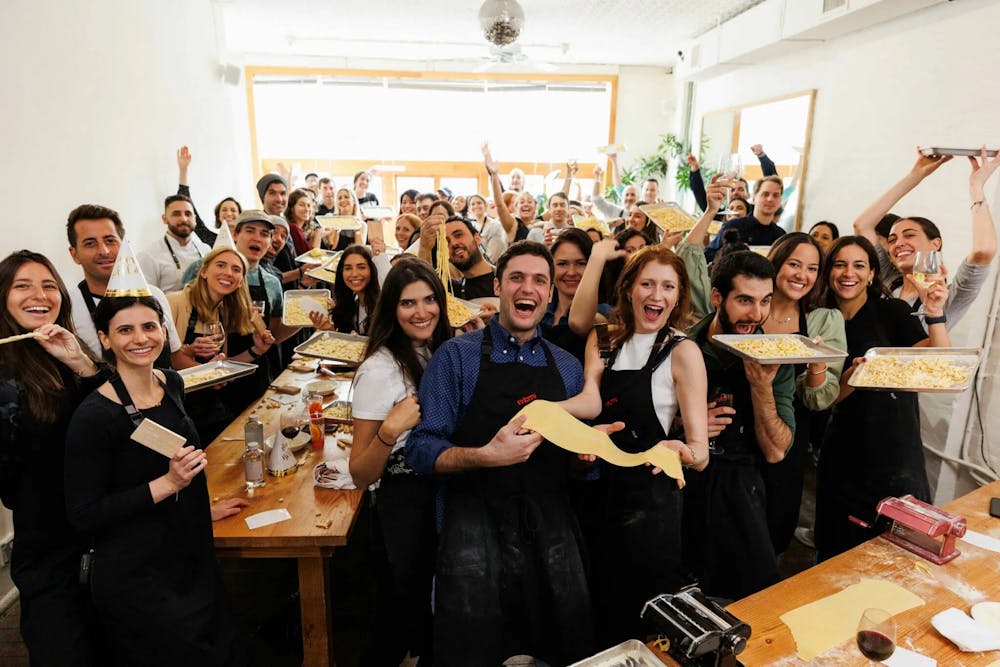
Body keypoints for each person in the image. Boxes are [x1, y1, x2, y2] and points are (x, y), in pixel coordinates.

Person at [406, 241, 597, 666]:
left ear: (548, 295)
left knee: (560, 639)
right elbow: (420, 450)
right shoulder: (457, 357)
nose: (526, 287)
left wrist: (584, 458)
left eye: (538, 280)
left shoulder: (566, 367)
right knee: (471, 647)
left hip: (550, 526)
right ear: (498, 286)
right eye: (516, 277)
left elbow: (576, 463)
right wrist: (486, 456)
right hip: (474, 523)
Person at [64, 295, 244, 665]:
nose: (140, 338)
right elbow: (84, 513)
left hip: (190, 554)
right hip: (139, 574)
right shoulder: (94, 416)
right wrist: (169, 485)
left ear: (164, 330)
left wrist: (200, 506)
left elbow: (171, 456)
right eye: (124, 330)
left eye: (149, 326)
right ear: (104, 338)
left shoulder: (171, 383)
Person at [563, 245, 709, 643]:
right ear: (628, 289)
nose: (655, 296)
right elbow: (592, 400)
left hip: (651, 504)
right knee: (597, 604)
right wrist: (545, 411)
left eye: (667, 286)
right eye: (646, 283)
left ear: (679, 296)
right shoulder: (603, 339)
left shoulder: (683, 352)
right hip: (599, 493)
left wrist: (680, 450)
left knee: (641, 614)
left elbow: (700, 453)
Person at [815, 236, 949, 561]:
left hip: (894, 450)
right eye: (840, 264)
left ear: (872, 273)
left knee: (898, 552)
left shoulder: (891, 311)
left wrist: (934, 312)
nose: (850, 273)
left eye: (859, 265)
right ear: (828, 272)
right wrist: (854, 377)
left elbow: (936, 362)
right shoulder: (819, 318)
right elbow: (823, 397)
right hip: (841, 451)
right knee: (835, 551)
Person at [0, 251, 105, 666]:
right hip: (49, 545)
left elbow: (118, 415)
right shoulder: (4, 371)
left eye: (48, 285)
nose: (39, 295)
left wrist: (81, 363)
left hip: (99, 534)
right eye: (22, 286)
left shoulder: (65, 348)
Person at [350, 259, 453, 666]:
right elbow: (360, 473)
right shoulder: (379, 368)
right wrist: (389, 431)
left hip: (444, 490)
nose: (422, 311)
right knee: (408, 607)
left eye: (430, 300)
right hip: (406, 502)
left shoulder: (438, 351)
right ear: (392, 308)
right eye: (408, 303)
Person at [683, 250, 794, 600]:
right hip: (682, 479)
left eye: (765, 302)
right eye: (745, 300)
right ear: (717, 297)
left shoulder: (776, 355)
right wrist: (687, 423)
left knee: (751, 599)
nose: (756, 314)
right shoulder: (680, 347)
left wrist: (761, 386)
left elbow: (776, 450)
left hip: (741, 486)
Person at [853, 146, 999, 330]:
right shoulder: (887, 277)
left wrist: (976, 186)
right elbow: (862, 225)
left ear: (935, 244)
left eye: (909, 235)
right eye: (892, 240)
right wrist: (915, 175)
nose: (898, 243)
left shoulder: (948, 295)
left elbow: (984, 251)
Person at [168, 246, 275, 441]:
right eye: (221, 265)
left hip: (205, 405)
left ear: (241, 280)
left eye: (236, 269)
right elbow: (167, 359)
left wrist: (256, 350)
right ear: (203, 271)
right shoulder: (174, 302)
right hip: (175, 408)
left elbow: (222, 365)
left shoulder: (222, 311)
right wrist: (204, 369)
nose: (228, 273)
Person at [65, 204, 181, 366]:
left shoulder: (155, 295)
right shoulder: (68, 307)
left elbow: (175, 358)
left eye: (110, 240)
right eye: (90, 243)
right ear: (74, 254)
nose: (104, 251)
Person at [539, 228, 607, 361]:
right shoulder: (540, 310)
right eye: (562, 264)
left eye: (581, 264)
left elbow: (580, 322)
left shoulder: (604, 314)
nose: (571, 272)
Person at [136, 194, 210, 295]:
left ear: (195, 219)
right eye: (176, 214)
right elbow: (147, 298)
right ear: (164, 218)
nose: (184, 219)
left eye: (188, 214)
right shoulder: (148, 255)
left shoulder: (206, 250)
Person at [704, 176, 786, 262]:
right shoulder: (733, 226)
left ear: (780, 200)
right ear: (754, 198)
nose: (770, 199)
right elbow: (708, 255)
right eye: (765, 194)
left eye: (776, 195)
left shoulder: (780, 236)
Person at [174, 146, 240, 247]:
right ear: (218, 217)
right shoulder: (211, 240)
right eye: (224, 210)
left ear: (240, 216)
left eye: (233, 210)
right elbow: (187, 205)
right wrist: (183, 170)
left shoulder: (248, 242)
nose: (228, 213)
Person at [318, 245, 380, 334]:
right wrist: (329, 330)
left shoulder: (381, 306)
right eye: (348, 268)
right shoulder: (352, 302)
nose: (354, 274)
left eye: (361, 267)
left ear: (372, 270)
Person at [466, 193, 508, 263]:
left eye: (479, 203)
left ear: (485, 206)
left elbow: (492, 257)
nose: (476, 206)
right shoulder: (472, 226)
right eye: (472, 204)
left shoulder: (495, 226)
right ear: (469, 208)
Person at [283, 188, 315, 256]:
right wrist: (318, 234)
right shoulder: (293, 228)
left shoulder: (301, 229)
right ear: (292, 208)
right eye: (302, 205)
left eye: (308, 205)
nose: (307, 209)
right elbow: (310, 259)